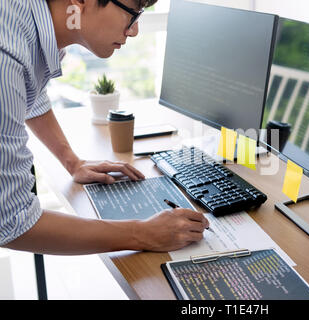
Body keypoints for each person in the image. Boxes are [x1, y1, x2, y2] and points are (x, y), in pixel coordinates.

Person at [0, 0, 209, 255]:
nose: (134, 31)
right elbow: (11, 220)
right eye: (133, 12)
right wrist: (142, 234)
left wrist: (72, 162)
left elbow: (30, 94)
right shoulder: (5, 58)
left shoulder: (27, 25)